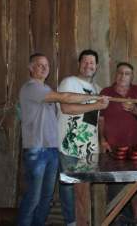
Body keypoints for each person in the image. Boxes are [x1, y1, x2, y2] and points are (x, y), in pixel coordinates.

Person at [17, 53, 104, 226]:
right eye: (39, 65)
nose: (43, 68)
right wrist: (95, 101)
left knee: (46, 197)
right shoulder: (32, 87)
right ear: (30, 68)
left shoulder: (47, 89)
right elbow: (65, 101)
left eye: (46, 65)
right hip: (37, 149)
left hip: (52, 148)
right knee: (34, 197)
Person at [57, 49, 109, 226]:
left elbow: (99, 119)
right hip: (69, 144)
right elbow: (67, 109)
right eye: (85, 62)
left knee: (84, 188)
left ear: (97, 66)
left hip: (89, 148)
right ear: (79, 64)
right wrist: (95, 104)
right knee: (68, 186)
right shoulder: (69, 82)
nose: (88, 65)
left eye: (92, 63)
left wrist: (102, 139)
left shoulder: (98, 89)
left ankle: (83, 222)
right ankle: (71, 222)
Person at [99, 62, 137, 225]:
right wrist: (102, 139)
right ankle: (115, 217)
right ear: (115, 74)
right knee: (114, 183)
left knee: (135, 182)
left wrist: (134, 109)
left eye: (127, 73)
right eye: (120, 73)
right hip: (113, 146)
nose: (123, 76)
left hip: (136, 145)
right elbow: (101, 119)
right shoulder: (106, 92)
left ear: (131, 77)